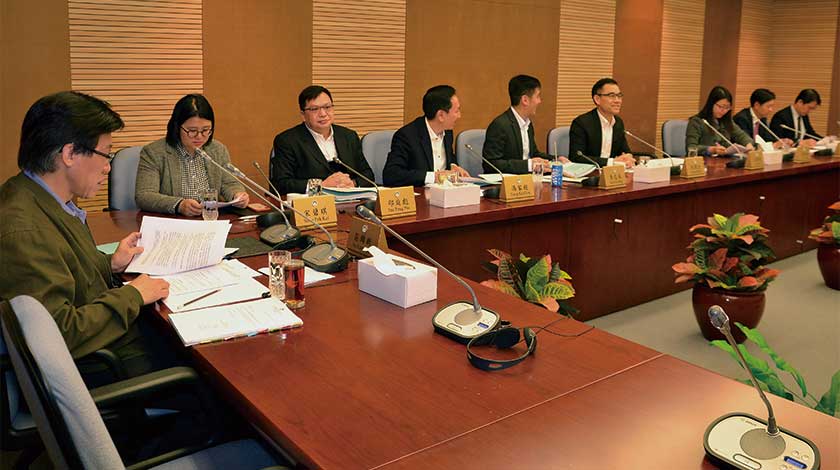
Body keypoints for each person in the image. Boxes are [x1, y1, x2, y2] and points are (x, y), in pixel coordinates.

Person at [0, 91, 173, 386]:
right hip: (104, 365)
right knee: (213, 374)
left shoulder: (41, 198)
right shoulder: (24, 230)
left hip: (110, 344)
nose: (108, 168)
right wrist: (133, 296)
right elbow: (59, 334)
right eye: (106, 155)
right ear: (69, 154)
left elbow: (66, 271)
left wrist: (110, 264)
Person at [135, 94, 249, 216]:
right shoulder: (154, 152)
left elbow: (229, 183)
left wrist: (237, 195)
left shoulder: (217, 150)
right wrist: (179, 205)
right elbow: (144, 196)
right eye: (192, 131)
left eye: (205, 130)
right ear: (177, 127)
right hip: (174, 221)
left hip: (210, 219)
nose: (199, 136)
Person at [271, 85, 375, 194]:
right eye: (314, 109)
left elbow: (367, 175)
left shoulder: (348, 136)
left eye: (327, 107)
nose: (323, 114)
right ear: (303, 115)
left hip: (350, 199)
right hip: (314, 201)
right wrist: (320, 186)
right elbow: (281, 184)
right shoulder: (288, 141)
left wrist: (352, 183)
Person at [383, 85, 470, 187]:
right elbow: (391, 175)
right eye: (456, 111)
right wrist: (434, 177)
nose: (459, 116)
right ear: (441, 115)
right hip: (420, 193)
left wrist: (453, 166)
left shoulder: (447, 132)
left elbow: (447, 158)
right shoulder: (407, 136)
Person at [483, 75, 554, 174]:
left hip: (528, 178)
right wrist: (528, 165)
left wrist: (556, 159)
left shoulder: (528, 124)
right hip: (509, 182)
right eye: (537, 96)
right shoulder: (500, 125)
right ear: (525, 100)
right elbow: (491, 164)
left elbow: (533, 154)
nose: (539, 101)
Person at [569, 78, 635, 167]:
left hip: (612, 173)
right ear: (597, 99)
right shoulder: (581, 123)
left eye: (619, 96)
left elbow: (624, 151)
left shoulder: (618, 122)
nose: (617, 100)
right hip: (590, 173)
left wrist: (628, 157)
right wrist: (611, 162)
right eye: (612, 96)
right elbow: (576, 157)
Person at [685, 86, 754, 156]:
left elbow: (741, 135)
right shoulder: (697, 121)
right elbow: (691, 148)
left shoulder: (726, 121)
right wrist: (712, 149)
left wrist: (748, 144)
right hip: (704, 160)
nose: (723, 110)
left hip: (724, 160)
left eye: (727, 107)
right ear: (711, 104)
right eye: (720, 107)